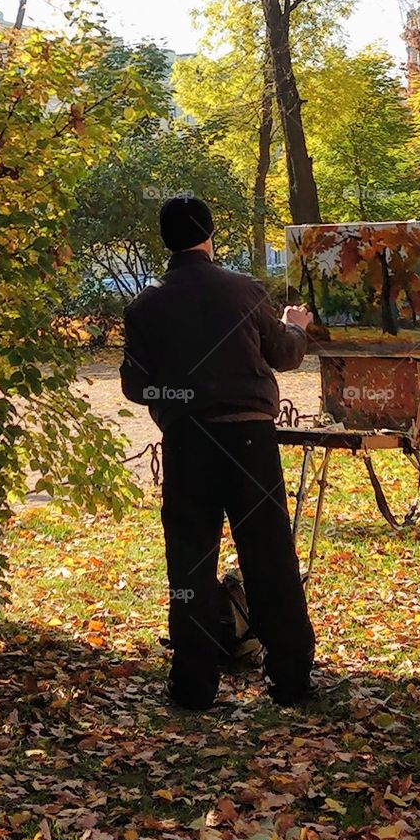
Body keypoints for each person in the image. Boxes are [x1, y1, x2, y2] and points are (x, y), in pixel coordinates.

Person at [120, 195, 315, 711]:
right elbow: (285, 354)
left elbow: (134, 387)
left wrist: (179, 396)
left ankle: (193, 685)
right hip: (249, 442)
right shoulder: (244, 291)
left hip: (187, 446)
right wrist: (296, 324)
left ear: (165, 240)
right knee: (269, 557)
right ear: (209, 234)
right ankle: (291, 680)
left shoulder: (146, 304)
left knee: (190, 565)